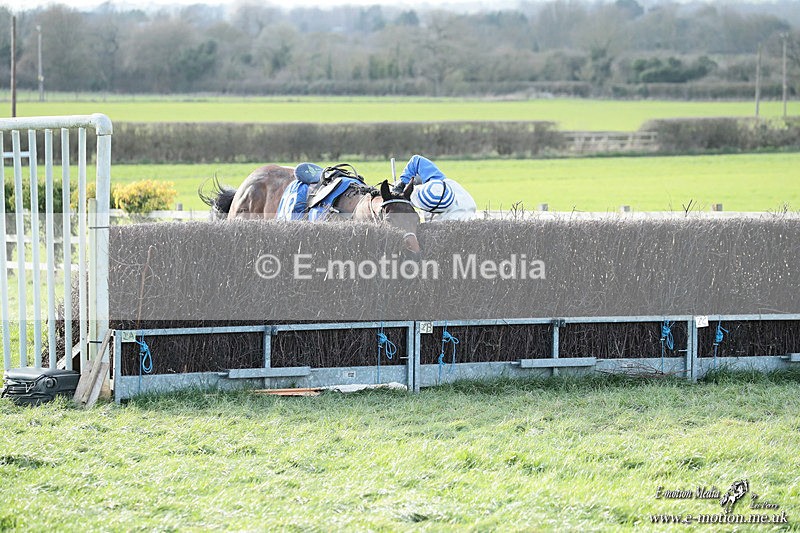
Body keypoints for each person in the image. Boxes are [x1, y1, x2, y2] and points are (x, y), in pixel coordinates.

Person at [391, 155, 477, 221]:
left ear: (430, 212)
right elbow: (416, 160)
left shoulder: (443, 223)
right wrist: (402, 183)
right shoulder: (439, 186)